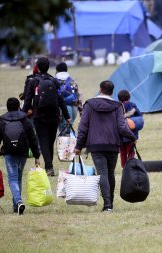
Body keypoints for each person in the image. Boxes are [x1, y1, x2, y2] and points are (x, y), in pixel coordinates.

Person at [74, 80, 136, 212]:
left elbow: (83, 128)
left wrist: (78, 146)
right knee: (110, 173)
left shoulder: (89, 105)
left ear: (100, 89)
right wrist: (132, 137)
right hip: (113, 144)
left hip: (96, 145)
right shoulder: (118, 106)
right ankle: (110, 203)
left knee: (102, 173)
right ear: (112, 91)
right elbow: (122, 127)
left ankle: (107, 204)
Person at [0, 97, 41, 215]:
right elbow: (33, 139)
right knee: (18, 178)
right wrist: (37, 156)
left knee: (12, 178)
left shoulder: (2, 121)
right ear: (18, 107)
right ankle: (16, 206)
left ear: (7, 107)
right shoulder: (25, 120)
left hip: (9, 153)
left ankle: (18, 201)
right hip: (22, 153)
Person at [22, 57, 70, 176]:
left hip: (39, 116)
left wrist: (21, 115)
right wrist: (67, 116)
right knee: (50, 142)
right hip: (54, 116)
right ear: (49, 67)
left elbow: (28, 100)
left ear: (37, 67)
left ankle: (49, 167)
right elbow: (60, 100)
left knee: (43, 141)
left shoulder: (33, 81)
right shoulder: (54, 80)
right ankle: (49, 165)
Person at [117, 89, 142, 168]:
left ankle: (124, 167)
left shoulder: (117, 106)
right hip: (131, 135)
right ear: (129, 97)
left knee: (123, 152)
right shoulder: (132, 105)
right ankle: (131, 167)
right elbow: (139, 118)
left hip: (120, 135)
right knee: (131, 152)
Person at [55, 62, 82, 131]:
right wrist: (81, 112)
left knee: (61, 131)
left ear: (57, 70)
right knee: (69, 129)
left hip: (58, 109)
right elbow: (78, 96)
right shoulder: (72, 81)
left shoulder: (53, 80)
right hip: (73, 107)